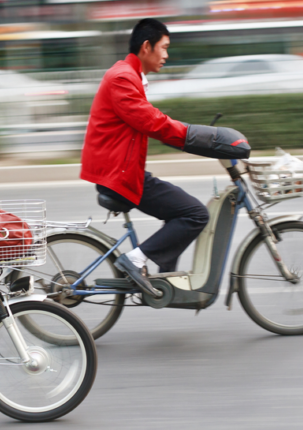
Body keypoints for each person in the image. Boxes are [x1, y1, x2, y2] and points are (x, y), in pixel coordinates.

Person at [80, 18, 211, 297]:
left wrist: (189, 139)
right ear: (146, 46)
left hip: (122, 171)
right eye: (164, 47)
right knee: (195, 214)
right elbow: (151, 121)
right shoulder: (122, 78)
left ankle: (166, 281)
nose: (166, 55)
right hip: (118, 175)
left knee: (180, 210)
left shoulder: (129, 75)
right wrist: (193, 136)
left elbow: (150, 123)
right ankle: (135, 260)